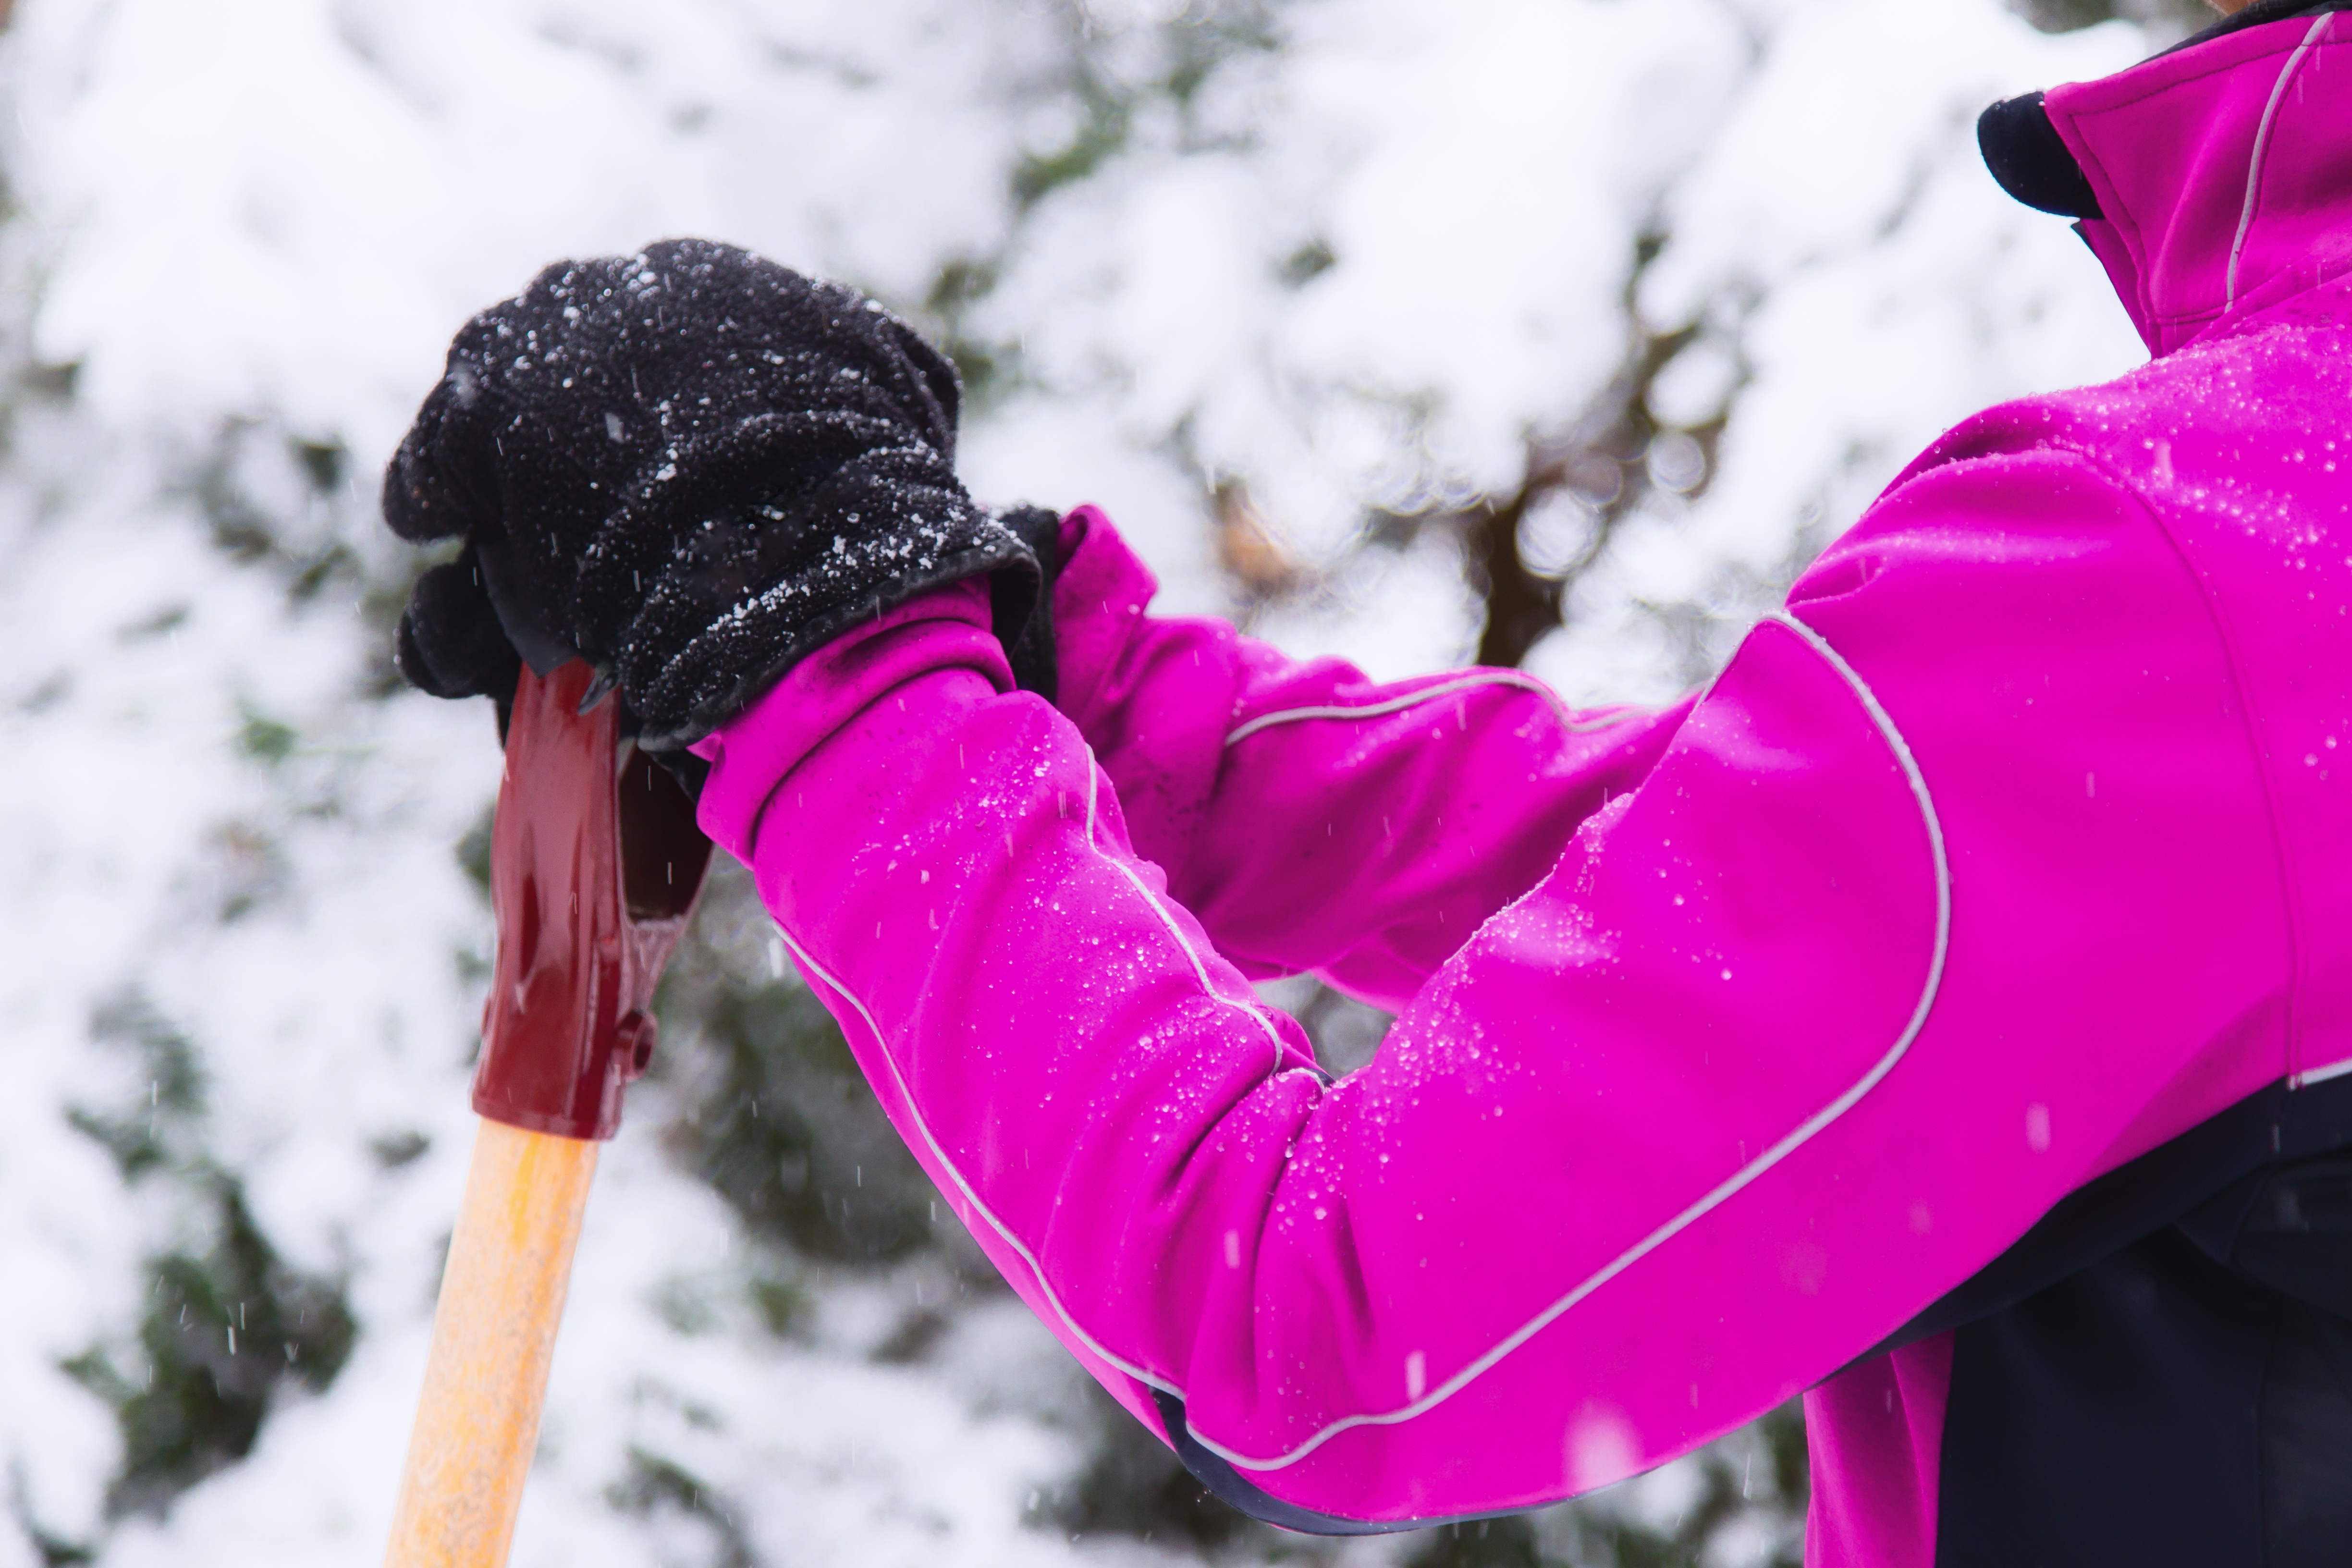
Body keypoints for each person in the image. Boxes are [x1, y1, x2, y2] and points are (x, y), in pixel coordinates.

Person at [382, 1, 2352, 1562]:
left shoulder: (2198, 566)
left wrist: (824, 649)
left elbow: (1321, 1333)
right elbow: (1822, 908)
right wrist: (1087, 703)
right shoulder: (2245, 586)